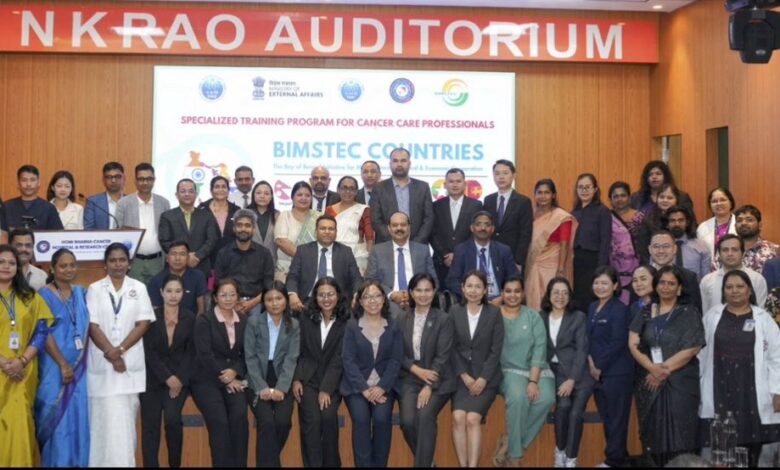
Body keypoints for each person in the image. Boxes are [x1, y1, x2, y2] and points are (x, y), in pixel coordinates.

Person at [699, 270, 780, 467]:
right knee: (720, 442)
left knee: (753, 445)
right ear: (723, 291)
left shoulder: (763, 318)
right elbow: (700, 354)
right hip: (719, 386)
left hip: (751, 389)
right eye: (729, 287)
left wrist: (777, 391)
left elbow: (776, 357)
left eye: (740, 286)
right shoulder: (712, 316)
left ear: (749, 290)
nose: (734, 291)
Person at [628, 265, 705, 467]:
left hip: (681, 383)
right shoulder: (645, 312)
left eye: (671, 283)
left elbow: (693, 347)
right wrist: (652, 368)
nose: (666, 287)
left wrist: (662, 370)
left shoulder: (689, 313)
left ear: (679, 288)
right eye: (662, 282)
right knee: (653, 435)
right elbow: (633, 343)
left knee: (681, 434)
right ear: (656, 285)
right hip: (648, 382)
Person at [86, 242, 154, 467]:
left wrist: (120, 350)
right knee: (100, 425)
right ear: (105, 264)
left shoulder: (139, 288)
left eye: (122, 260)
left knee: (124, 427)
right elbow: (92, 324)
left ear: (129, 263)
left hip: (128, 368)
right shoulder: (95, 289)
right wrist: (111, 353)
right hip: (102, 368)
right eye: (113, 260)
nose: (118, 264)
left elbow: (143, 323)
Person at [34, 249, 90, 467]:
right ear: (52, 268)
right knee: (55, 420)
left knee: (77, 419)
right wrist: (62, 364)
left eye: (72, 265)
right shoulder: (43, 295)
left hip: (80, 370)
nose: (68, 270)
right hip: (53, 368)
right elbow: (42, 332)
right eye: (63, 266)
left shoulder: (82, 294)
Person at [493, 274, 556, 467]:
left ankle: (511, 442)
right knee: (518, 398)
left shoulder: (533, 316)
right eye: (508, 291)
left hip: (536, 369)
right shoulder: (494, 316)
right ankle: (515, 456)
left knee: (547, 398)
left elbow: (539, 349)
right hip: (508, 370)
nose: (512, 295)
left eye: (517, 291)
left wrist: (533, 381)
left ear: (523, 293)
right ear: (502, 293)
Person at [0, 244, 53, 467]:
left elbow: (42, 332)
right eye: (1, 262)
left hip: (22, 373)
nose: (6, 266)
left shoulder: (30, 297)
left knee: (21, 424)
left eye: (11, 263)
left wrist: (21, 361)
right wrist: (4, 363)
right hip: (2, 370)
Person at [341, 279, 403, 467]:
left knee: (382, 419)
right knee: (361, 420)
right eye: (367, 297)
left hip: (384, 386)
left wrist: (382, 387)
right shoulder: (352, 326)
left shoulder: (393, 325)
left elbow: (396, 360)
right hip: (357, 387)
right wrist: (364, 389)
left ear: (384, 299)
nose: (372, 301)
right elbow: (348, 360)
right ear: (360, 301)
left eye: (376, 296)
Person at [396, 273, 454, 468]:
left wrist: (429, 386)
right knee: (407, 421)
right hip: (410, 378)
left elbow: (443, 356)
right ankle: (428, 463)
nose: (423, 294)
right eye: (418, 290)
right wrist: (415, 369)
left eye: (427, 290)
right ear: (411, 293)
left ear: (434, 291)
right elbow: (396, 352)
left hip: (439, 380)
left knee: (425, 416)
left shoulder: (444, 319)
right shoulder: (402, 318)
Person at [190, 278, 249, 467]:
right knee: (219, 422)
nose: (228, 298)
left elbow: (247, 353)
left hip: (234, 377)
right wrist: (226, 377)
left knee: (240, 418)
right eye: (223, 295)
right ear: (215, 297)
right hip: (206, 379)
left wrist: (235, 371)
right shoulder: (204, 320)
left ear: (238, 297)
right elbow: (204, 354)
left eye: (232, 294)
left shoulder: (244, 320)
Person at [140, 274, 196, 468]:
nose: (173, 295)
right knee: (150, 426)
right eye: (169, 291)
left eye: (178, 291)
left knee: (172, 420)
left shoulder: (190, 317)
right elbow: (149, 352)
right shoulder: (151, 317)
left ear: (183, 293)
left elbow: (192, 352)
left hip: (180, 380)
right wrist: (167, 377)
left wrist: (178, 379)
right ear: (161, 292)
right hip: (154, 379)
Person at [292, 277, 349, 467]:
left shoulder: (347, 321)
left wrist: (326, 389)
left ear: (338, 295)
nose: (326, 299)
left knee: (328, 418)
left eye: (330, 294)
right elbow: (298, 351)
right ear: (315, 297)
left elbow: (339, 359)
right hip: (308, 379)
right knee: (312, 422)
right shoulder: (305, 318)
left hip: (332, 381)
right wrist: (297, 379)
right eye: (321, 295)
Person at [450, 270, 504, 468]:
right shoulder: (454, 311)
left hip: (486, 378)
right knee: (458, 417)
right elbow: (451, 347)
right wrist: (464, 376)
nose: (473, 290)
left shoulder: (494, 313)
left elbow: (496, 350)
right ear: (462, 288)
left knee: (472, 419)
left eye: (478, 286)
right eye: (469, 286)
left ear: (485, 290)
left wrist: (482, 379)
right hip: (461, 378)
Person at [245, 281, 300, 467]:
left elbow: (291, 358)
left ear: (286, 300)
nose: (274, 303)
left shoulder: (294, 325)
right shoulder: (253, 322)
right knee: (266, 423)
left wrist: (281, 388)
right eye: (269, 299)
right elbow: (250, 357)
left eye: (279, 298)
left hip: (283, 377)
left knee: (283, 422)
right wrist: (261, 387)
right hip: (258, 376)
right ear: (263, 302)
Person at [540, 277, 593, 468]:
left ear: (570, 296)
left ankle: (571, 459)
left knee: (575, 413)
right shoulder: (541, 316)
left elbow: (581, 350)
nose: (560, 296)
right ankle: (560, 451)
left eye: (564, 293)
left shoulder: (578, 317)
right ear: (549, 295)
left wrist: (572, 379)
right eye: (556, 292)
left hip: (579, 375)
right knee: (562, 408)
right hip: (556, 373)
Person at [587, 266, 634, 468]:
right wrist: (591, 363)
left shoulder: (620, 309)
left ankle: (613, 461)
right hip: (596, 372)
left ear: (615, 286)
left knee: (617, 420)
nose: (600, 286)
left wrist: (599, 366)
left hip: (616, 373)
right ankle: (620, 458)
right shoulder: (592, 307)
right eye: (597, 282)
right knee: (608, 418)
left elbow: (618, 341)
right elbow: (588, 339)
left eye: (605, 283)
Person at [286, 215, 362, 311]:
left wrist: (357, 295)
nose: (327, 232)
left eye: (331, 229)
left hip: (338, 302)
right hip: (308, 301)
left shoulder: (345, 252)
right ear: (316, 231)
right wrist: (292, 294)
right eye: (323, 228)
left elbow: (356, 278)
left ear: (336, 232)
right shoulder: (303, 251)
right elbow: (292, 276)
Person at [366, 212, 436, 316]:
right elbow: (370, 280)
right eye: (395, 225)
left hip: (419, 299)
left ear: (409, 227)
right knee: (395, 314)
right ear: (389, 228)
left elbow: (433, 280)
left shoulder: (423, 250)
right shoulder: (377, 251)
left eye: (403, 225)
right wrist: (391, 294)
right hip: (388, 301)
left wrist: (416, 294)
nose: (399, 228)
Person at [115, 163, 171, 284]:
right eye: (141, 179)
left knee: (157, 294)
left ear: (154, 180)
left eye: (149, 179)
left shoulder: (164, 203)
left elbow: (168, 233)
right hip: (134, 262)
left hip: (157, 261)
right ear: (135, 181)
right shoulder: (123, 204)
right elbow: (117, 232)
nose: (145, 182)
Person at [214, 209, 275, 318]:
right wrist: (233, 302)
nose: (243, 229)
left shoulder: (264, 254)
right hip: (229, 301)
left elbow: (268, 286)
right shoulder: (223, 253)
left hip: (256, 302)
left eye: (247, 225)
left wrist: (251, 303)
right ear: (234, 228)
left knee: (256, 320)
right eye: (239, 225)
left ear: (253, 229)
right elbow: (219, 283)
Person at [447, 211, 517, 304]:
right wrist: (471, 297)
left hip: (498, 301)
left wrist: (503, 297)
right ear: (472, 228)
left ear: (492, 229)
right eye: (478, 224)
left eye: (487, 225)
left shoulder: (504, 250)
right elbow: (453, 280)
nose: (483, 228)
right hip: (471, 300)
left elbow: (514, 278)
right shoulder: (461, 250)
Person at [525, 178, 575, 310]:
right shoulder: (530, 214)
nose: (543, 196)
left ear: (553, 195)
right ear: (535, 194)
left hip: (552, 265)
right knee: (532, 298)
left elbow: (564, 245)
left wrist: (561, 269)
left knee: (550, 297)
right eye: (539, 192)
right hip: (532, 263)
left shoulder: (561, 216)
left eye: (547, 192)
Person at [430, 168, 483, 288]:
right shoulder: (436, 206)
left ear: (464, 184)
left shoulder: (476, 205)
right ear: (445, 184)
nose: (455, 185)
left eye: (458, 181)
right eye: (451, 181)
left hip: (467, 261)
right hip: (441, 263)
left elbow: (476, 233)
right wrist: (445, 254)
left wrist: (458, 254)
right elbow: (432, 233)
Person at [369, 147, 434, 244]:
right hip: (387, 245)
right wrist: (396, 241)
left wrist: (416, 242)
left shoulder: (423, 187)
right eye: (395, 161)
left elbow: (429, 218)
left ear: (409, 163)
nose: (399, 164)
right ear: (390, 164)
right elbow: (375, 220)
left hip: (417, 245)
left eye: (403, 161)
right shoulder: (379, 188)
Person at [158, 178, 219, 278]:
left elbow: (212, 240)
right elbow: (164, 241)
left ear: (196, 194)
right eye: (183, 191)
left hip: (200, 266)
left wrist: (197, 256)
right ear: (176, 195)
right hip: (175, 268)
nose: (187, 194)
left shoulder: (207, 215)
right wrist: (184, 257)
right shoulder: (167, 216)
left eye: (191, 191)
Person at [571, 173, 612, 311]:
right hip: (575, 261)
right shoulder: (573, 212)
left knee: (590, 297)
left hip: (593, 261)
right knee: (576, 296)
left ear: (595, 189)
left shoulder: (602, 211)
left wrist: (601, 268)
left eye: (588, 187)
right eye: (580, 187)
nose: (584, 190)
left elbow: (605, 240)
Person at [484, 159, 533, 273]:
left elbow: (525, 233)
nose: (501, 177)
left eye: (505, 173)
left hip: (513, 258)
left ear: (513, 175)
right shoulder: (488, 200)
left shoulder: (523, 201)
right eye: (497, 174)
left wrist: (519, 261)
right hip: (490, 255)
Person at [700, 234, 767, 316]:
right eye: (725, 250)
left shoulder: (757, 279)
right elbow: (705, 313)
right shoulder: (707, 281)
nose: (730, 254)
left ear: (743, 253)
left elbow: (760, 312)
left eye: (734, 250)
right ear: (719, 254)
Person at [325, 176, 375, 274]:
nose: (348, 191)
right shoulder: (329, 210)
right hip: (333, 256)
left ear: (356, 192)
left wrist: (369, 263)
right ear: (338, 190)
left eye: (352, 189)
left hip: (357, 257)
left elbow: (370, 238)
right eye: (344, 188)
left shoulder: (363, 210)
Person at [648, 230, 704, 313]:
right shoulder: (641, 276)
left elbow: (695, 312)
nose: (661, 251)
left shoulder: (688, 277)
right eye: (656, 246)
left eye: (666, 246)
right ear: (649, 249)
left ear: (675, 249)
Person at [146, 240, 208, 315]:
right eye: (173, 254)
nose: (177, 258)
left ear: (188, 258)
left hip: (193, 321)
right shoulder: (156, 281)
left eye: (182, 254)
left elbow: (201, 310)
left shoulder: (198, 276)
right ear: (167, 258)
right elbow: (155, 312)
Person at [275, 181, 319, 281]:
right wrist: (305, 259)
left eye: (307, 195)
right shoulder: (285, 215)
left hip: (313, 270)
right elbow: (281, 241)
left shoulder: (318, 217)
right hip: (287, 271)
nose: (303, 198)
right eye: (299, 195)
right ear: (292, 197)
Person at [198, 175, 241, 274]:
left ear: (228, 190)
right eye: (217, 187)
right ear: (211, 190)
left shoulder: (236, 210)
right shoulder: (202, 209)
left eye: (224, 187)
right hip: (207, 261)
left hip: (232, 261)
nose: (220, 190)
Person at [608, 181, 642, 304]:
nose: (619, 199)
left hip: (637, 267)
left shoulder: (639, 217)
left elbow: (644, 241)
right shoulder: (607, 217)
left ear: (629, 197)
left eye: (623, 195)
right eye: (615, 196)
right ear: (610, 200)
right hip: (614, 268)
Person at [629, 160, 696, 221]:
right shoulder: (636, 198)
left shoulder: (682, 197)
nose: (654, 177)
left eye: (658, 174)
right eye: (650, 174)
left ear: (665, 176)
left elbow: (691, 221)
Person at [4, 164, 64, 231]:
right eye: (24, 180)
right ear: (18, 183)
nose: (28, 184)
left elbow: (58, 234)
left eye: (32, 180)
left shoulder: (49, 208)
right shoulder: (6, 207)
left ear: (38, 183)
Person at [636, 183, 681, 264]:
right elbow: (643, 248)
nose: (665, 200)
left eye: (670, 198)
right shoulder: (648, 219)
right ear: (657, 199)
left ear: (676, 200)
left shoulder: (681, 219)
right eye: (661, 197)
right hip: (654, 264)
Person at [666, 205, 711, 280]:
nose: (677, 224)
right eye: (672, 221)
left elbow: (706, 278)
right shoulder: (660, 247)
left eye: (681, 220)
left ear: (687, 223)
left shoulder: (701, 246)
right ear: (667, 224)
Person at [696, 187, 737, 260]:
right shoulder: (702, 227)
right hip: (709, 266)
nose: (719, 203)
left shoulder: (740, 224)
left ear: (731, 203)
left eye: (722, 200)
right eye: (714, 201)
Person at [735, 205, 778, 273]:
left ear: (760, 225)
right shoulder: (727, 250)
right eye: (739, 220)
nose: (743, 223)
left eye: (749, 220)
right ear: (735, 226)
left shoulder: (775, 250)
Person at [84, 161, 125, 229]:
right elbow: (89, 230)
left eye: (117, 176)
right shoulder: (93, 202)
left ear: (123, 178)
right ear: (103, 180)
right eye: (109, 177)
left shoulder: (131, 202)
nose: (113, 180)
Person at [247, 180, 279, 265]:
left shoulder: (278, 216)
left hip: (272, 262)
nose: (262, 196)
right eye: (258, 193)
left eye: (266, 193)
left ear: (271, 197)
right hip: (249, 261)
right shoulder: (245, 214)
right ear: (253, 195)